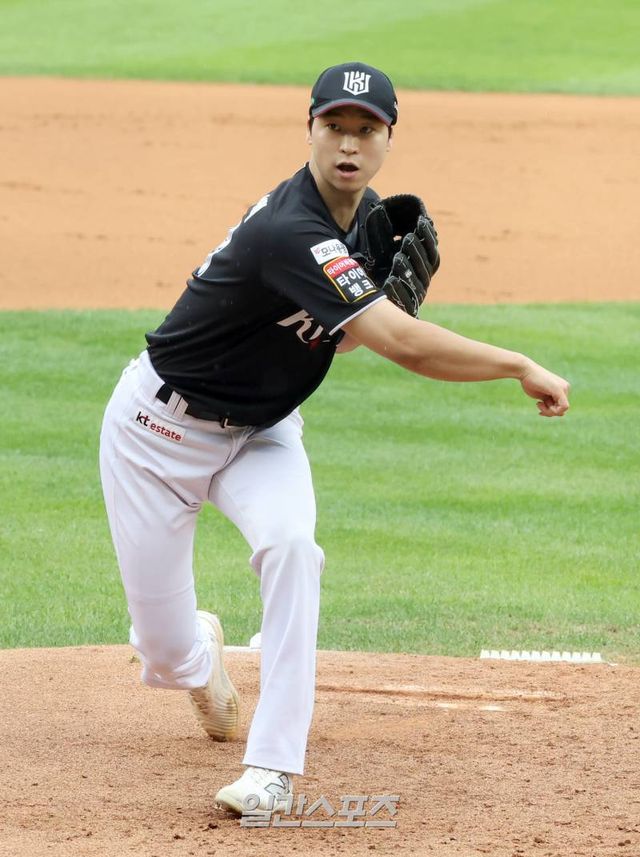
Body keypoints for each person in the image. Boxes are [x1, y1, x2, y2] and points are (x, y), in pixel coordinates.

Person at [99, 61, 570, 815]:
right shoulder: (292, 230)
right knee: (164, 654)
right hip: (156, 434)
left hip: (263, 431)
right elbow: (402, 346)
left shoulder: (365, 221)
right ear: (310, 129)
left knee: (293, 548)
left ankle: (272, 771)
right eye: (334, 126)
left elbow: (339, 338)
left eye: (366, 129)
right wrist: (516, 363)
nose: (349, 144)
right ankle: (199, 656)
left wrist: (372, 310)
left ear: (388, 139)